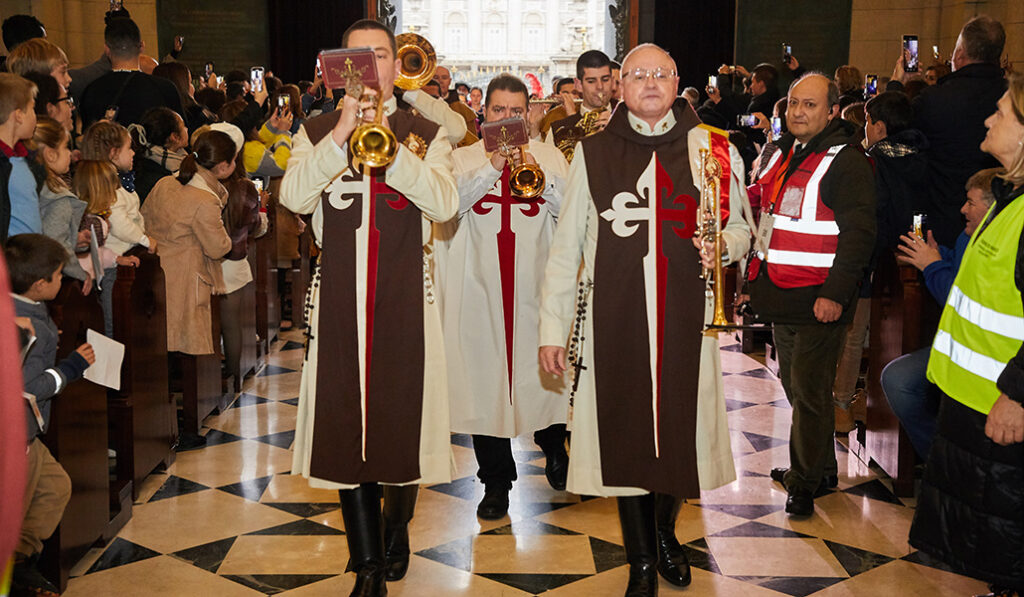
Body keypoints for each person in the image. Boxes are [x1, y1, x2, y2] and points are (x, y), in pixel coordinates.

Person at [539, 43, 749, 596]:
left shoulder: (714, 148)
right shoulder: (593, 153)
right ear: (618, 86)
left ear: (678, 80)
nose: (650, 83)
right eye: (637, 75)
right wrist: (550, 330)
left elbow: (743, 228)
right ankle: (639, 563)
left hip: (689, 318)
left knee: (680, 427)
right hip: (616, 318)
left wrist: (721, 246)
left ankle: (663, 532)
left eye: (661, 73)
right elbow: (565, 251)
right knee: (628, 433)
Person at [280, 20, 458, 596]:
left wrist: (390, 148)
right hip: (339, 301)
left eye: (378, 55)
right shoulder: (314, 129)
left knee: (399, 425)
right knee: (343, 430)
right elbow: (294, 198)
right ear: (336, 67)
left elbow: (445, 204)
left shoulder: (426, 130)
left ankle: (395, 528)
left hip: (408, 296)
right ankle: (367, 568)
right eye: (354, 58)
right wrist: (342, 135)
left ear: (394, 63)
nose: (367, 68)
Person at [909, 75, 1024, 596]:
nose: (987, 119)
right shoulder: (1008, 197)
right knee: (983, 546)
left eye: (1001, 114)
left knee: (1005, 544)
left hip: (1001, 405)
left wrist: (1018, 394)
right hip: (971, 402)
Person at [746, 73, 876, 517]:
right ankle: (819, 468)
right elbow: (770, 217)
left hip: (821, 297)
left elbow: (860, 235)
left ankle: (804, 483)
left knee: (810, 390)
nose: (799, 112)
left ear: (832, 111)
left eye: (810, 105)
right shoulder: (785, 152)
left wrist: (836, 294)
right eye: (794, 104)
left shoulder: (847, 161)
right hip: (783, 293)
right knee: (796, 387)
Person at [446, 74, 571, 520]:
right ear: (484, 114)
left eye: (515, 111)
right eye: (498, 111)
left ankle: (556, 447)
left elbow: (571, 212)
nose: (506, 119)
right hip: (479, 289)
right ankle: (496, 481)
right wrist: (493, 166)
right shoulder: (461, 159)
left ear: (528, 112)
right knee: (487, 386)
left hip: (536, 286)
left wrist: (537, 176)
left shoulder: (550, 156)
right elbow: (448, 205)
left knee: (545, 374)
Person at [884, 167, 999, 459]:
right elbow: (960, 268)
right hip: (958, 349)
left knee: (901, 381)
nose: (963, 209)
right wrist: (939, 254)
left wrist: (932, 266)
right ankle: (939, 460)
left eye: (971, 203)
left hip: (985, 359)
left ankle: (944, 464)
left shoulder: (999, 245)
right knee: (897, 379)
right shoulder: (968, 236)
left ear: (993, 206)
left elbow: (960, 300)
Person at [6, 233, 95, 597]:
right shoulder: (25, 327)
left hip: (29, 436)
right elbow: (25, 390)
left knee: (55, 487)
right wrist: (71, 368)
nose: (64, 280)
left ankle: (21, 560)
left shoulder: (21, 307)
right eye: (59, 275)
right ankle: (11, 569)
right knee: (16, 509)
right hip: (18, 436)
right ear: (40, 284)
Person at [911, 15, 1006, 247]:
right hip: (1000, 223)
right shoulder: (1011, 96)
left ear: (960, 54)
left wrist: (899, 84)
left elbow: (899, 142)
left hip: (939, 224)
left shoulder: (934, 99)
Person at [140, 130, 233, 355]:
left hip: (154, 274)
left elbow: (143, 217)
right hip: (186, 279)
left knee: (162, 346)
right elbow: (218, 247)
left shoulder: (165, 182)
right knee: (186, 348)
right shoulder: (204, 199)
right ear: (222, 167)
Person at [212, 122, 267, 386]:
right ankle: (233, 376)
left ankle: (220, 376)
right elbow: (254, 225)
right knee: (231, 324)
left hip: (209, 262)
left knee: (217, 324)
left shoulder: (200, 183)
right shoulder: (245, 187)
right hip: (234, 262)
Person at [78, 16, 184, 128]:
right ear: (142, 46)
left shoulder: (91, 92)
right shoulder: (165, 89)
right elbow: (181, 136)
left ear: (107, 50)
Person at [34, 117, 90, 285]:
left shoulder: (37, 187)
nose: (70, 154)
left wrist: (75, 239)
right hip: (50, 279)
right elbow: (57, 246)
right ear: (50, 154)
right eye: (66, 147)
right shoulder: (57, 198)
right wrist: (81, 275)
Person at [550, 50, 615, 162]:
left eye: (605, 80)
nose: (600, 87)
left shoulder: (627, 117)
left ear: (612, 81)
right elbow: (555, 173)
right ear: (578, 85)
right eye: (591, 81)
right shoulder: (559, 129)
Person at [0, 72, 43, 243]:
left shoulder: (21, 157)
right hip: (13, 259)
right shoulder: (3, 165)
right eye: (32, 108)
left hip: (31, 253)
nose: (35, 116)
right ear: (18, 115)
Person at [128, 107, 189, 202]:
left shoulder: (147, 156)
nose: (187, 129)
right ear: (175, 137)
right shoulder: (159, 176)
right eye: (183, 126)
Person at [152, 61, 215, 134]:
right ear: (181, 87)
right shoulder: (196, 118)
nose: (193, 88)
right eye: (190, 82)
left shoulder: (153, 121)